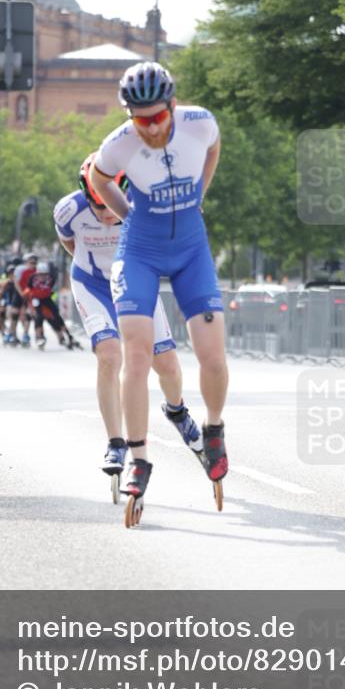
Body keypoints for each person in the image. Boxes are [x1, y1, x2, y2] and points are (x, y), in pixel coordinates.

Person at [90, 61, 229, 505]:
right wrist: (128, 215)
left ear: (172, 105)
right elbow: (98, 177)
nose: (150, 128)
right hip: (141, 252)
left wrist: (200, 194)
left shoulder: (200, 123)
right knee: (136, 354)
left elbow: (213, 148)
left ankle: (213, 427)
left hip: (190, 249)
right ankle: (139, 458)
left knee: (212, 355)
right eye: (140, 119)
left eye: (157, 117)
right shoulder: (119, 143)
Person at [54, 154, 202, 479]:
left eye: (111, 207)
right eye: (99, 208)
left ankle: (177, 410)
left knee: (166, 365)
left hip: (135, 282)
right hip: (92, 284)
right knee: (109, 355)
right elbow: (69, 243)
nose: (107, 215)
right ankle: (115, 442)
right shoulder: (68, 210)